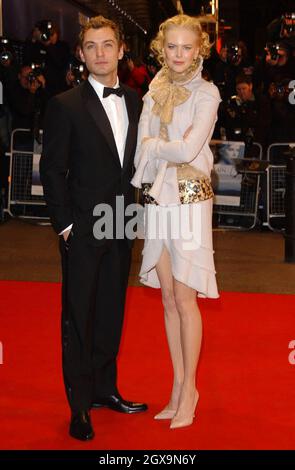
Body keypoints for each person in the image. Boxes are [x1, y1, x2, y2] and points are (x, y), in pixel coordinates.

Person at [40, 15, 147, 442]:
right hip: (82, 227)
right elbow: (52, 171)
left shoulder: (138, 102)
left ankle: (105, 390)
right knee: (79, 316)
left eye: (107, 45)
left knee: (111, 312)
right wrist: (65, 225)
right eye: (91, 46)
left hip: (124, 222)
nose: (100, 53)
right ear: (82, 54)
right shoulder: (64, 104)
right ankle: (79, 405)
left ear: (122, 50)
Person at [131, 14, 220, 429]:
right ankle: (177, 384)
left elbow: (187, 151)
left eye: (187, 48)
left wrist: (156, 145)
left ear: (198, 50)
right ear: (160, 49)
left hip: (189, 200)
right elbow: (139, 153)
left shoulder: (208, 94)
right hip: (156, 199)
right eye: (172, 47)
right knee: (167, 298)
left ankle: (190, 391)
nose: (179, 55)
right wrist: (159, 147)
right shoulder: (154, 90)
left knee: (185, 300)